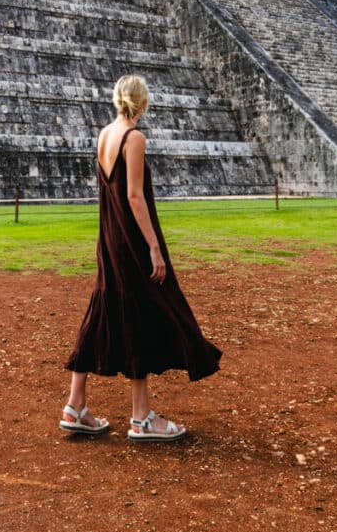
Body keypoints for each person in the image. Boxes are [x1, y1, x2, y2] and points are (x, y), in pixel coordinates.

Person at [60, 74, 222, 442]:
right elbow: (134, 197)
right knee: (140, 313)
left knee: (101, 312)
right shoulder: (134, 138)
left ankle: (75, 405)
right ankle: (141, 417)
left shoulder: (104, 135)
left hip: (109, 239)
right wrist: (153, 246)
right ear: (142, 102)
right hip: (131, 241)